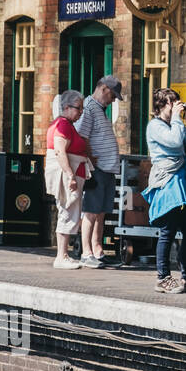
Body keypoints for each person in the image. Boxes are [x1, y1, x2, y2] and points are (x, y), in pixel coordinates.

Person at [141, 88, 186, 294]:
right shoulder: (154, 126)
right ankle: (162, 278)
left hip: (181, 181)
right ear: (163, 105)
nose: (177, 107)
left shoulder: (175, 123)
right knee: (168, 232)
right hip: (167, 182)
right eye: (174, 103)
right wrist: (177, 120)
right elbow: (173, 141)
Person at [74, 75, 124, 268]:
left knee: (101, 211)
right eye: (112, 96)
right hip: (97, 169)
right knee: (91, 211)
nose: (113, 100)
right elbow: (81, 135)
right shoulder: (88, 108)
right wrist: (90, 157)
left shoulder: (99, 109)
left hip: (107, 168)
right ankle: (86, 252)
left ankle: (97, 249)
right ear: (103, 89)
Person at [43, 90, 92, 270]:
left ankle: (64, 254)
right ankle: (61, 256)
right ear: (66, 107)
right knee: (66, 209)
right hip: (68, 174)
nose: (80, 113)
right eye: (78, 109)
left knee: (70, 210)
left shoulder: (66, 124)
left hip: (74, 172)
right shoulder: (62, 125)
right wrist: (70, 175)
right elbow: (59, 151)